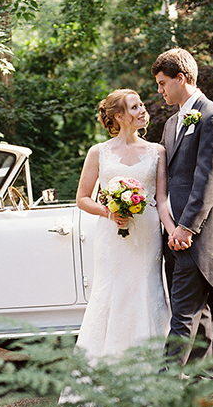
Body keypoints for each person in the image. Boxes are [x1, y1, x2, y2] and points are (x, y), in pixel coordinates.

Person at [72, 89, 175, 362]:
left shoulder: (157, 151)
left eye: (142, 105)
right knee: (112, 293)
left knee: (146, 290)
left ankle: (151, 371)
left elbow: (161, 200)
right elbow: (82, 198)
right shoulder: (99, 152)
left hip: (148, 234)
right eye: (134, 107)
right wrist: (108, 212)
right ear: (118, 116)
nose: (143, 110)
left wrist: (174, 230)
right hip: (112, 237)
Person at [154, 48, 213, 365]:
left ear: (181, 78)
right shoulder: (171, 123)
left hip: (193, 236)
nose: (160, 91)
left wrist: (186, 227)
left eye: (162, 83)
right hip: (172, 234)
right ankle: (204, 390)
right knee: (198, 318)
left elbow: (209, 178)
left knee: (182, 318)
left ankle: (164, 395)